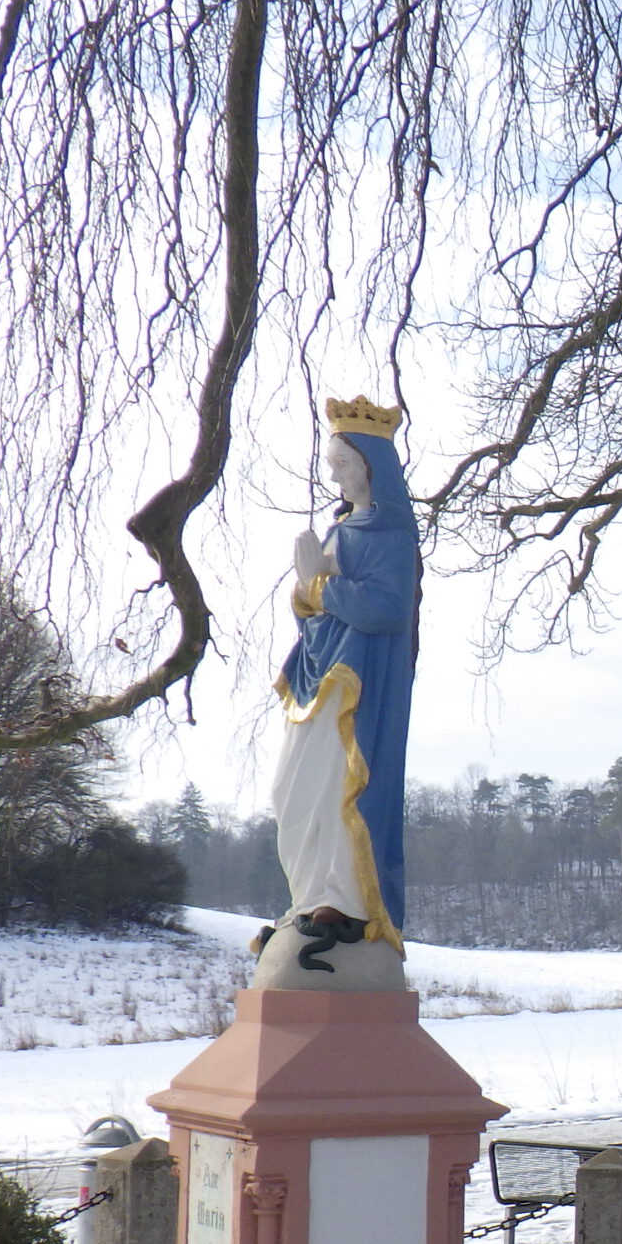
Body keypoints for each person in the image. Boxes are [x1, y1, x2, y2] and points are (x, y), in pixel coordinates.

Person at [267, 396, 418, 971]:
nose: (336, 476)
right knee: (291, 789)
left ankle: (345, 900)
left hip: (355, 683)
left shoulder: (391, 532)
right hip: (318, 673)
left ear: (373, 468)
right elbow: (315, 607)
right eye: (332, 465)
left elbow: (386, 607)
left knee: (341, 785)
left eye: (345, 465)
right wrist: (307, 591)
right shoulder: (341, 529)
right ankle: (308, 896)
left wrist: (319, 585)